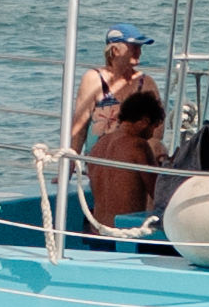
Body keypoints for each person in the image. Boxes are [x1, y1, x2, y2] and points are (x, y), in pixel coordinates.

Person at [64, 29, 158, 224]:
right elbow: (80, 126)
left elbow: (156, 132)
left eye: (140, 47)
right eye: (134, 47)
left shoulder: (146, 83)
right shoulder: (93, 79)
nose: (139, 52)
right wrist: (69, 165)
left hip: (134, 155)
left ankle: (146, 222)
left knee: (152, 150)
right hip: (101, 153)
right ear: (114, 50)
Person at [89, 88, 168, 227]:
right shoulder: (138, 145)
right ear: (144, 121)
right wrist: (164, 164)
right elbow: (159, 194)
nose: (152, 134)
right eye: (154, 127)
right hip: (124, 233)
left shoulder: (99, 144)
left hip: (97, 231)